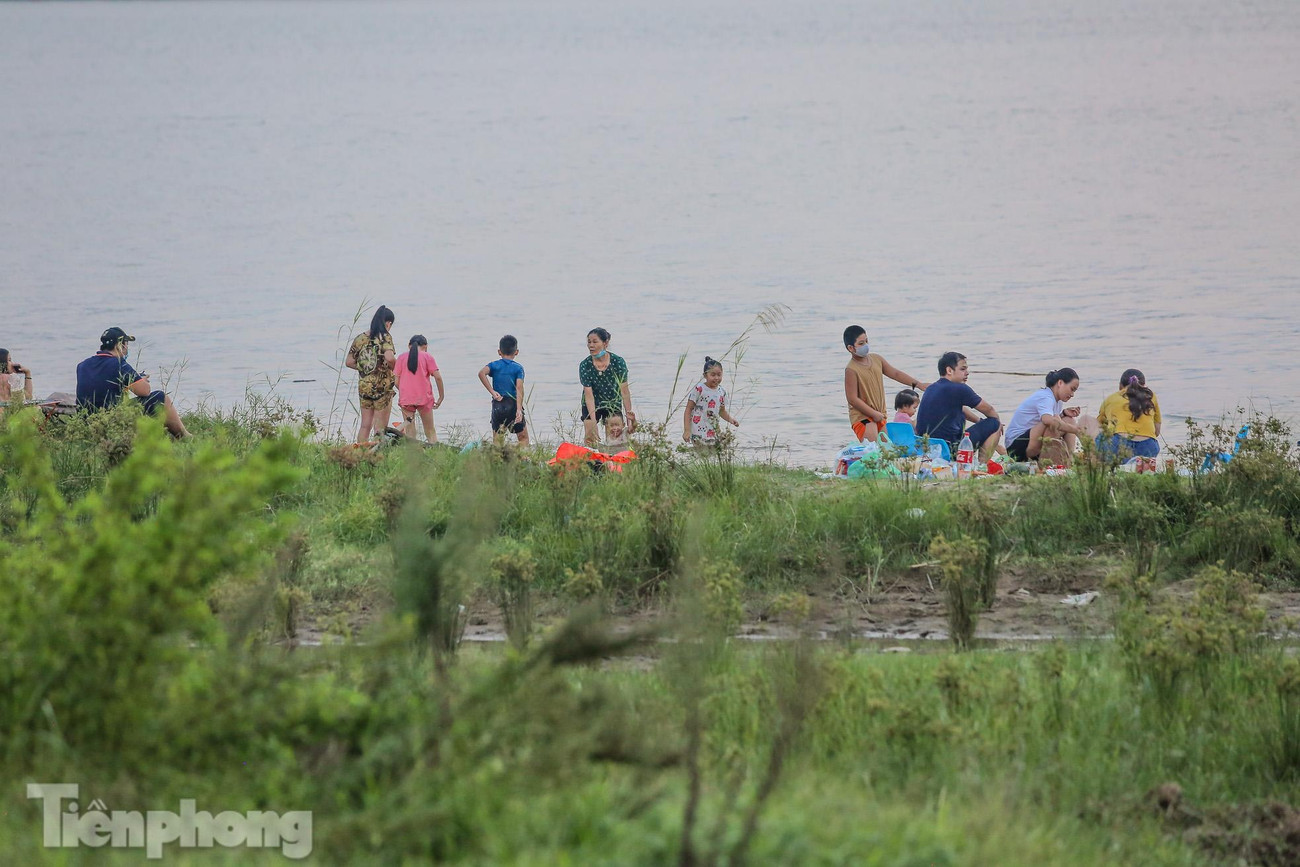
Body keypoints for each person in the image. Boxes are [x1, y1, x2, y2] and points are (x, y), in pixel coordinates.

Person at [75, 327, 191, 439]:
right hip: (110, 422)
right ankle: (184, 436)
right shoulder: (118, 364)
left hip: (86, 421)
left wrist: (126, 385)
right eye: (126, 345)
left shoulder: (82, 365)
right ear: (120, 346)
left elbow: (101, 387)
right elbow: (145, 391)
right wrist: (142, 380)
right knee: (160, 397)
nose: (126, 349)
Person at [842, 325, 929, 443]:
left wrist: (918, 384)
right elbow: (852, 399)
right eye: (861, 343)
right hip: (863, 417)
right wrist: (872, 413)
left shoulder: (876, 359)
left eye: (867, 341)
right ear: (851, 348)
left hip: (880, 414)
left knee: (887, 452)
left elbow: (896, 373)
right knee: (873, 451)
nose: (866, 345)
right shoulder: (851, 369)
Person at [914, 352, 1002, 462]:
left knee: (989, 423)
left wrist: (978, 421)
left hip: (927, 449)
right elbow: (988, 409)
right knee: (994, 423)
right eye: (963, 369)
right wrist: (998, 424)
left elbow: (961, 410)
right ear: (949, 370)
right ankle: (982, 465)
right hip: (951, 450)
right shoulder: (960, 388)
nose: (967, 373)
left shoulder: (931, 388)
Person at [1004, 368, 1095, 466]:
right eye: (1071, 389)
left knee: (1069, 420)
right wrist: (1076, 430)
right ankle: (1047, 464)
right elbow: (1047, 420)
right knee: (1053, 424)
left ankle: (1068, 462)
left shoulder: (1057, 401)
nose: (1072, 394)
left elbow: (1051, 419)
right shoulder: (1046, 396)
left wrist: (1063, 413)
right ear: (1060, 383)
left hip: (1031, 439)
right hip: (1017, 446)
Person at [345, 305, 397, 443]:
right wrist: (395, 368)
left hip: (364, 387)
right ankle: (376, 457)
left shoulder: (360, 338)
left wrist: (366, 368)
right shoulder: (385, 337)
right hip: (382, 387)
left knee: (365, 425)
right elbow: (390, 357)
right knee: (380, 428)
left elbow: (349, 362)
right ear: (388, 323)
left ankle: (360, 453)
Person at [580, 327, 635, 447]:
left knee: (614, 440)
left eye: (595, 342)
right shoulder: (585, 365)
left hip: (612, 401)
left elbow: (624, 391)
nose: (591, 345)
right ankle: (591, 462)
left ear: (605, 343)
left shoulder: (618, 362)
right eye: (589, 342)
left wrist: (629, 416)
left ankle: (613, 463)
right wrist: (593, 421)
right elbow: (588, 395)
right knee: (590, 438)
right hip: (592, 403)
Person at [1096, 368, 1162, 459]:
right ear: (1144, 386)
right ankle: (1140, 464)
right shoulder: (1151, 396)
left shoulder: (1110, 398)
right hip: (1148, 447)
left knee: (1095, 431)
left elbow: (1099, 425)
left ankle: (1096, 464)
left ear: (1120, 386)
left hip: (1118, 446)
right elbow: (1157, 431)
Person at [479, 334, 528, 445]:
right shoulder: (518, 368)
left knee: (498, 440)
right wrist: (519, 410)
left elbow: (481, 373)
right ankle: (523, 460)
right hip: (512, 404)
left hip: (498, 404)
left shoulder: (494, 365)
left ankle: (498, 460)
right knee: (523, 438)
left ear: (499, 352)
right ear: (516, 352)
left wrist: (492, 392)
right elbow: (519, 388)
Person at [395, 334, 445, 443]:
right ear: (425, 346)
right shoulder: (427, 357)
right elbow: (438, 377)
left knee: (410, 432)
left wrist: (405, 391)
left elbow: (396, 381)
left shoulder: (401, 358)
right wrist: (441, 396)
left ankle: (413, 456)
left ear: (409, 346)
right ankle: (435, 453)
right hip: (424, 398)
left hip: (406, 399)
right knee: (430, 431)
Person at [682, 356, 740, 446]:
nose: (716, 378)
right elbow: (688, 410)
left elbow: (722, 411)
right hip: (697, 430)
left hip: (713, 431)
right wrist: (687, 430)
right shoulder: (699, 389)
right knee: (700, 453)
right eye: (713, 375)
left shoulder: (722, 392)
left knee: (713, 455)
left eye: (719, 375)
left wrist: (731, 420)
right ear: (705, 375)